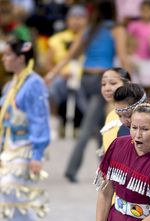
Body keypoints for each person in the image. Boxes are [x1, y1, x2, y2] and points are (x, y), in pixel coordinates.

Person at [45, 0, 130, 183]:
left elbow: (69, 56)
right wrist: (131, 83)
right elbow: (122, 57)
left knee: (100, 125)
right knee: (88, 128)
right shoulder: (116, 29)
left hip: (86, 80)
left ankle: (107, 169)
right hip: (105, 80)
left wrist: (52, 74)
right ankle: (71, 169)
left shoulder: (89, 29)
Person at [0, 37, 50, 221]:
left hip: (27, 144)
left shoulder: (34, 83)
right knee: (7, 189)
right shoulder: (11, 84)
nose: (4, 59)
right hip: (10, 144)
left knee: (11, 185)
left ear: (21, 58)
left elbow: (40, 118)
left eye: (8, 55)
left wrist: (37, 154)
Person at [44, 4, 89, 138]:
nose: (77, 21)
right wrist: (59, 73)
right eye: (73, 17)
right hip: (62, 77)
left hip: (84, 77)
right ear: (67, 20)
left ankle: (89, 127)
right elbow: (47, 64)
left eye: (81, 17)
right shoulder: (57, 38)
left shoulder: (91, 38)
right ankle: (53, 126)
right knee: (51, 88)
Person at [100, 67, 131, 153]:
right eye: (103, 84)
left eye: (113, 83)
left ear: (127, 84)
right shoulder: (110, 114)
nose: (107, 88)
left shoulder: (132, 113)